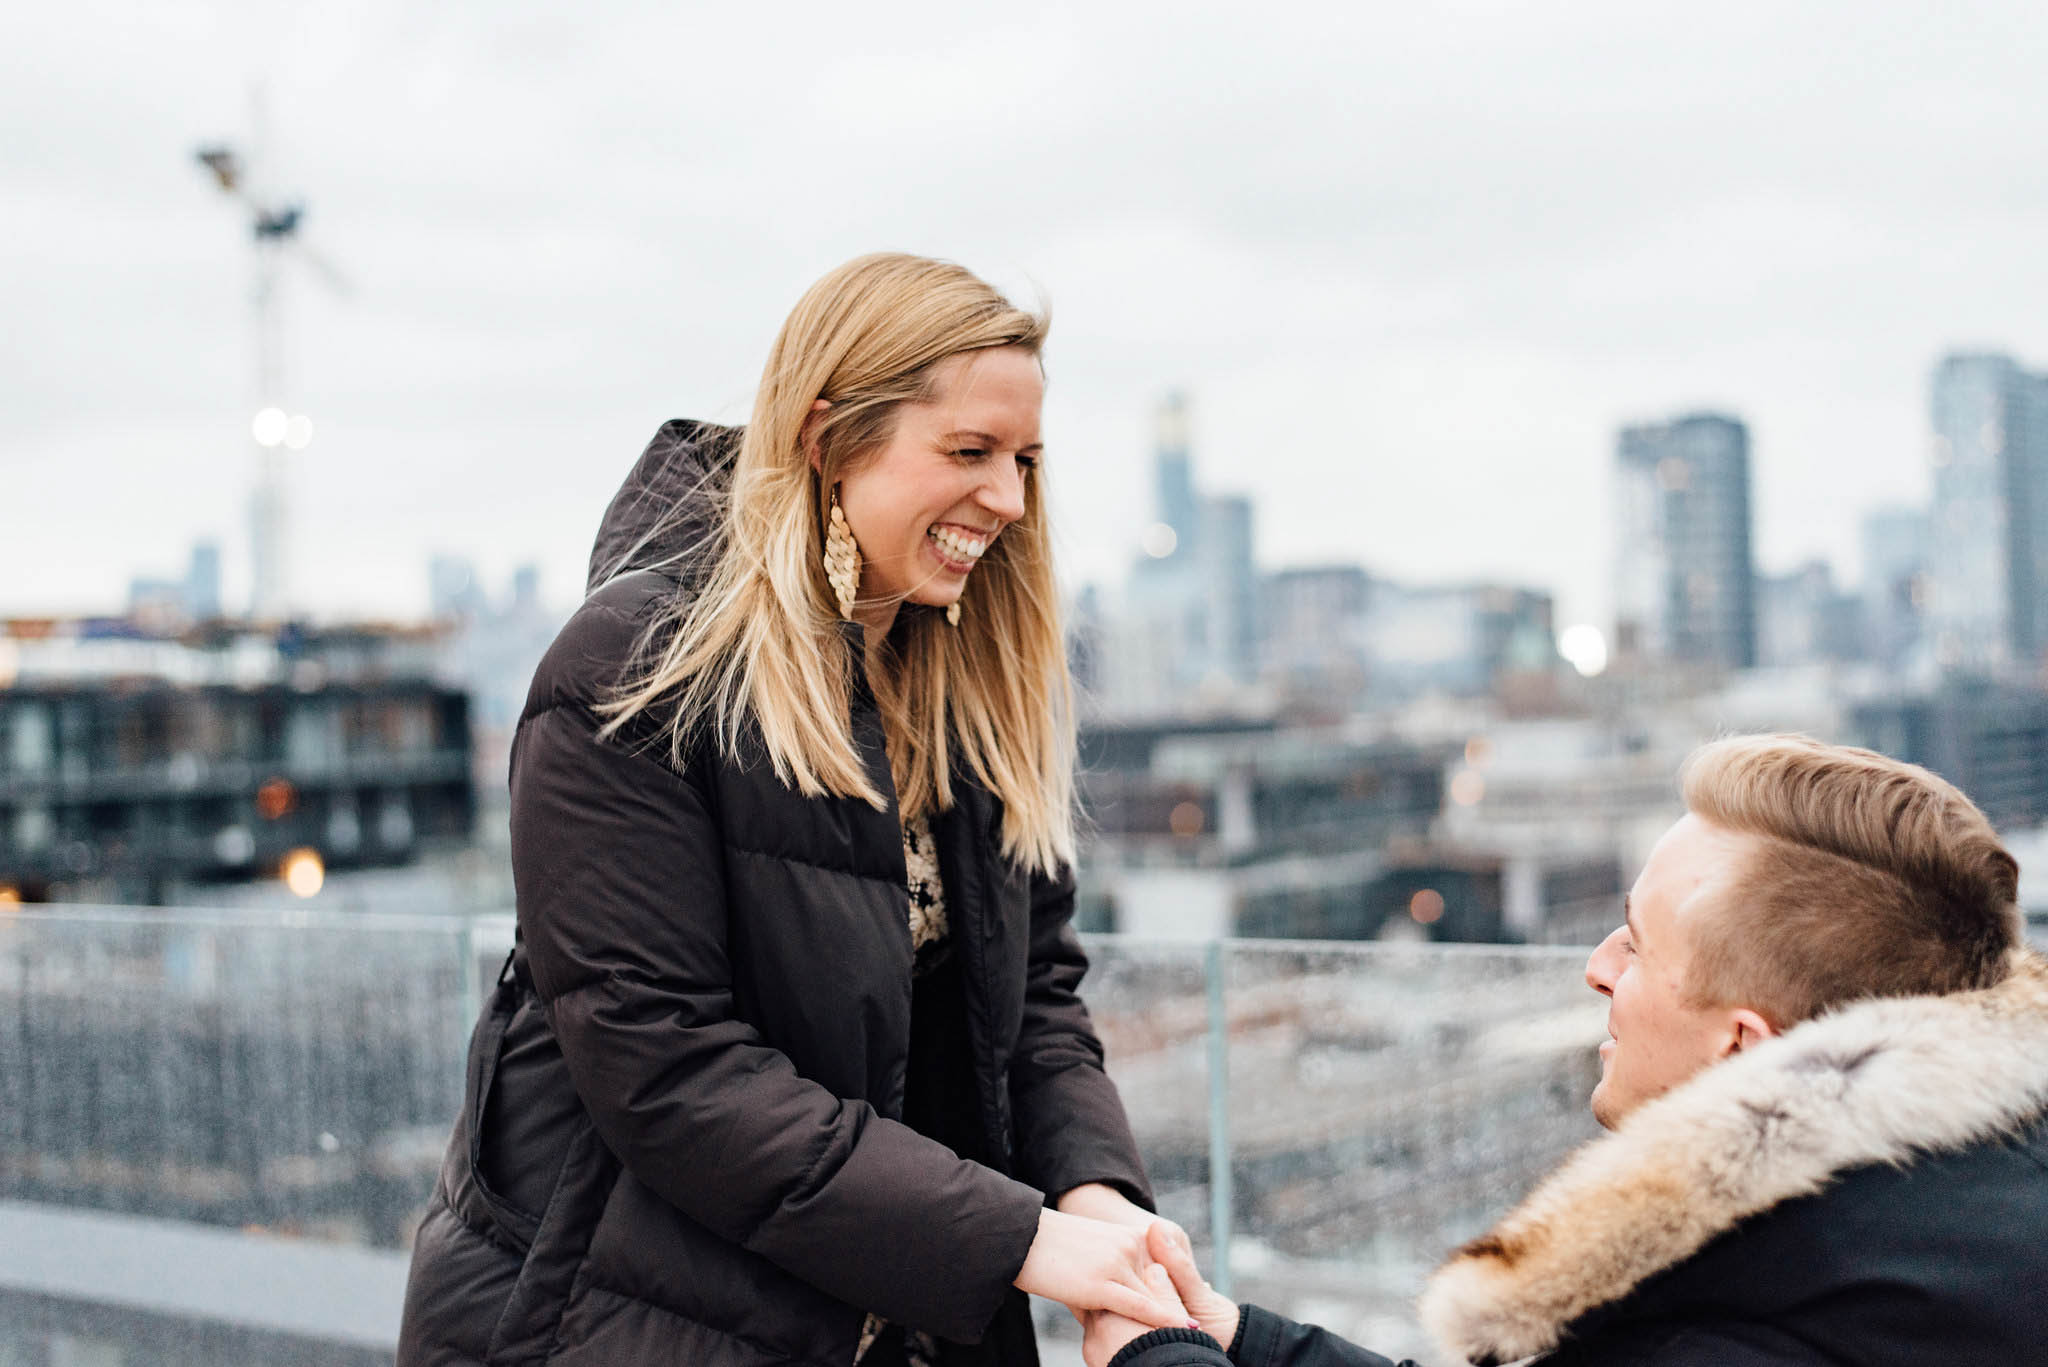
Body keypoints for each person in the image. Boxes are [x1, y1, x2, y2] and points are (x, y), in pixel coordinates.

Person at [399, 254, 1192, 1367]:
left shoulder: (958, 680)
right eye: (968, 452)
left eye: (1023, 460)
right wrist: (1020, 1235)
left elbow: (1034, 998)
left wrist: (1095, 1193)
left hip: (902, 1317)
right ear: (824, 437)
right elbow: (665, 1066)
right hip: (616, 1324)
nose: (1009, 501)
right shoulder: (634, 668)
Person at [1085, 734, 2048, 1367]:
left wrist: (1149, 1356)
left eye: (1636, 943)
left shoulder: (1743, 1313)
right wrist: (1237, 1336)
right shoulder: (1950, 1207)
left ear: (1742, 1048)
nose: (1595, 966)